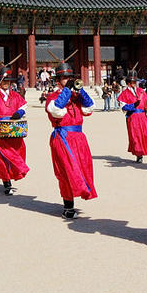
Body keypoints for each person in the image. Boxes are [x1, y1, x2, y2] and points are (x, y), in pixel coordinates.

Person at [45, 63, 96, 218]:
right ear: (59, 80)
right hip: (63, 137)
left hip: (79, 138)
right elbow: (56, 111)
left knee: (83, 169)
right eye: (65, 78)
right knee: (66, 171)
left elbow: (89, 108)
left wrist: (80, 91)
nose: (68, 80)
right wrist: (67, 91)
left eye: (70, 77)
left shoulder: (76, 96)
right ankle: (68, 205)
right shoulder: (52, 97)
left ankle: (81, 194)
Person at [0, 66, 29, 195]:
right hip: (1, 130)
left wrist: (19, 112)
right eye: (4, 81)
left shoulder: (15, 95)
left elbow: (24, 105)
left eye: (8, 81)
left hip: (14, 129)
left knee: (18, 152)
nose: (6, 83)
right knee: (2, 156)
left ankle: (13, 174)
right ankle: (6, 182)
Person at [116, 70, 147, 162]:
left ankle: (142, 151)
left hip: (143, 116)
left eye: (135, 82)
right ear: (128, 82)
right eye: (132, 82)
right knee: (136, 136)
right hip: (133, 117)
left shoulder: (141, 91)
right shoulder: (124, 94)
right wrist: (133, 105)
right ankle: (139, 154)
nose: (134, 83)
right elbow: (123, 107)